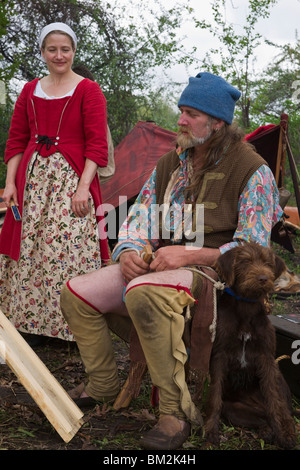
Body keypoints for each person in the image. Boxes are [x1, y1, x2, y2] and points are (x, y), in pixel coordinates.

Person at [60, 72, 283, 450]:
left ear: (217, 123)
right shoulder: (171, 164)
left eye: (191, 113)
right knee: (77, 293)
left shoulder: (252, 170)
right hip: (162, 262)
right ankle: (102, 382)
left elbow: (255, 251)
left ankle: (174, 410)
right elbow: (138, 220)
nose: (179, 120)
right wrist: (129, 250)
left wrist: (193, 254)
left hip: (216, 274)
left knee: (144, 293)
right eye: (181, 110)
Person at [0, 23, 110, 343]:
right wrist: (10, 185)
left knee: (65, 248)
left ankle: (72, 328)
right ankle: (30, 323)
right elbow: (16, 140)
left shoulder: (88, 89)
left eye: (65, 49)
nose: (59, 55)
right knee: (30, 247)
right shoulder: (29, 89)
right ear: (43, 52)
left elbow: (96, 147)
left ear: (74, 51)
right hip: (32, 182)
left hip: (72, 179)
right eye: (52, 49)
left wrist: (82, 188)